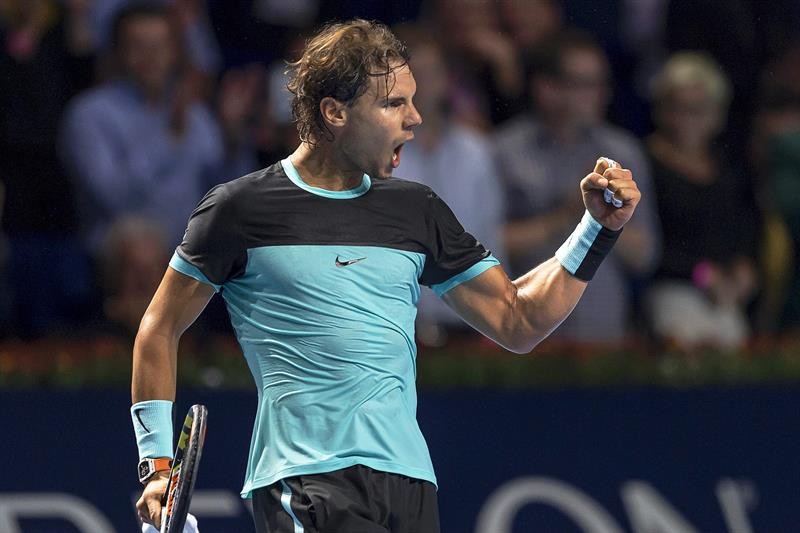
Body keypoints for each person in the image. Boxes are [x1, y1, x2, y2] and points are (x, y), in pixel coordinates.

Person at [131, 20, 642, 532]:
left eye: (413, 101)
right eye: (394, 103)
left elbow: (518, 321)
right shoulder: (240, 209)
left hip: (410, 483)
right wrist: (156, 468)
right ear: (335, 112)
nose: (415, 118)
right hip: (307, 479)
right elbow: (159, 328)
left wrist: (596, 229)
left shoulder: (416, 210)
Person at [494, 29, 659, 344]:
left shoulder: (623, 152)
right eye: (583, 84)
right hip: (524, 333)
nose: (598, 95)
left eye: (599, 84)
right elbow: (485, 246)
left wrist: (603, 218)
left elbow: (645, 255)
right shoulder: (505, 152)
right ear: (546, 88)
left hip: (603, 334)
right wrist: (566, 214)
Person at [59, 1, 257, 252]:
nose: (150, 57)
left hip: (191, 256)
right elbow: (114, 199)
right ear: (117, 52)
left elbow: (229, 195)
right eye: (138, 46)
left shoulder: (193, 114)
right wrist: (168, 140)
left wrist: (232, 139)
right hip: (122, 258)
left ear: (175, 52)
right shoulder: (89, 114)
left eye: (160, 46)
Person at [392, 24, 506, 345]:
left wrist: (500, 315)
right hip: (397, 327)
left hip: (468, 325)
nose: (421, 86)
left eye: (430, 73)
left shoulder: (477, 152)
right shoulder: (375, 157)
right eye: (411, 75)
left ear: (446, 80)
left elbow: (491, 238)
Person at [644, 52, 759, 351]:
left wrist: (744, 267)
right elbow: (649, 245)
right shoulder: (644, 164)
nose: (686, 119)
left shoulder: (728, 167)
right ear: (661, 109)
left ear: (717, 114)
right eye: (678, 108)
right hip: (668, 291)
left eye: (698, 110)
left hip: (724, 294)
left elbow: (747, 225)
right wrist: (701, 274)